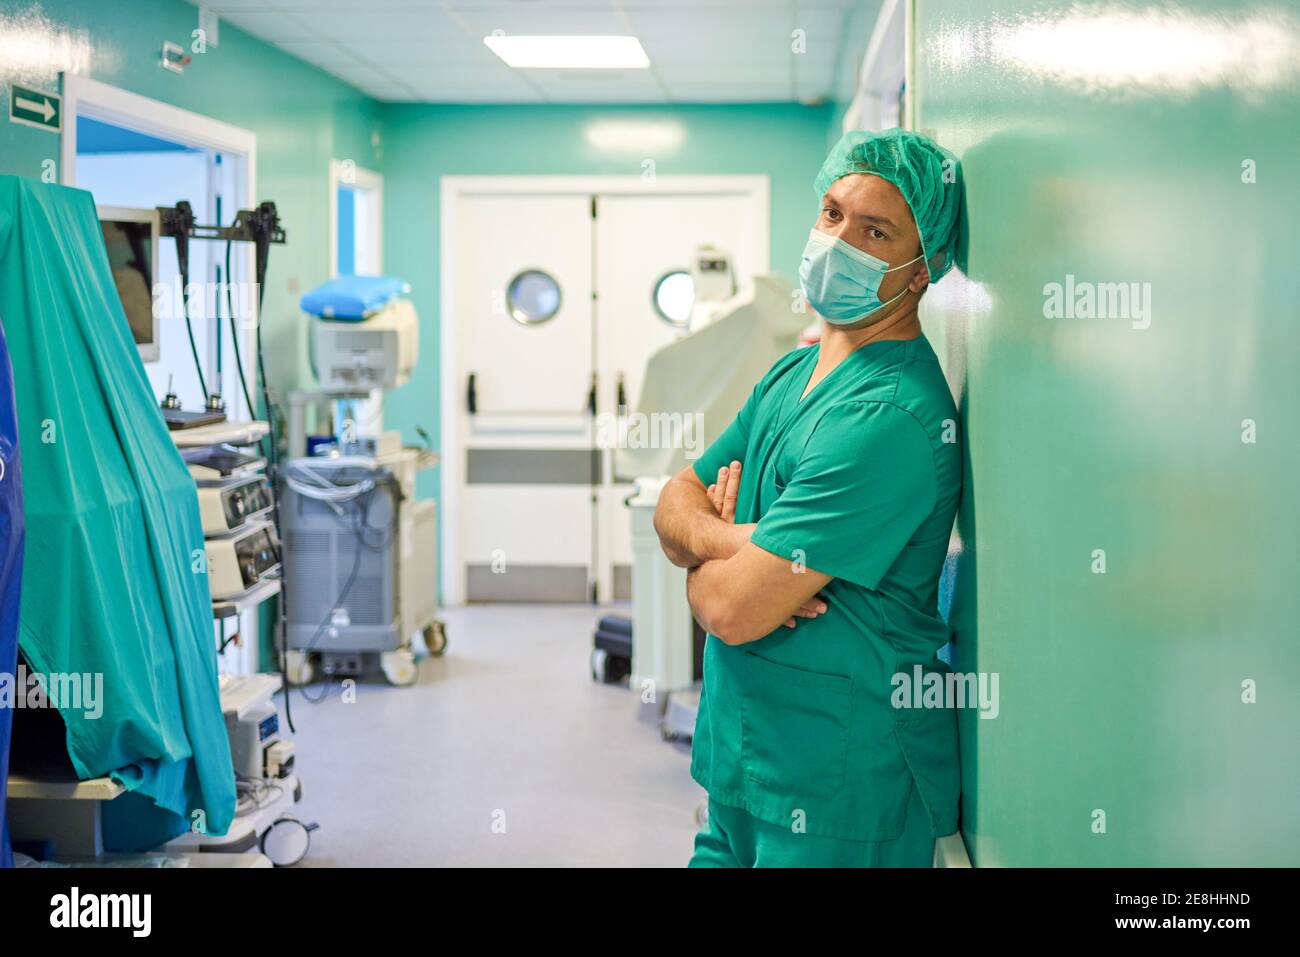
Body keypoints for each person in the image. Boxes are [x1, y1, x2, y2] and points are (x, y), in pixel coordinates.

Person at [653, 128, 965, 867]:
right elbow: (674, 501)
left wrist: (705, 557)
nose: (839, 241)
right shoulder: (791, 374)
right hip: (743, 760)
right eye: (832, 214)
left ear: (921, 271)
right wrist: (733, 542)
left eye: (875, 230)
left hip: (840, 786)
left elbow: (729, 609)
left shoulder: (889, 416)